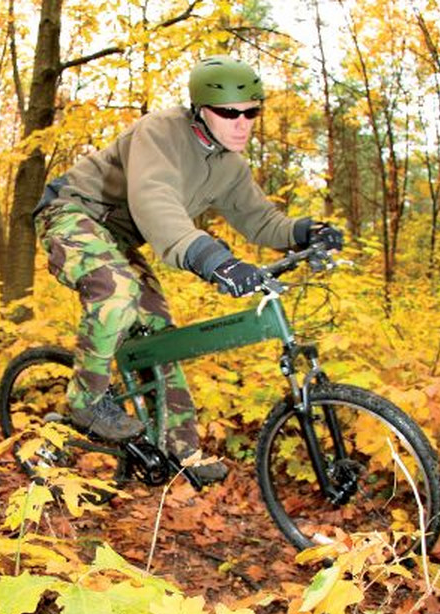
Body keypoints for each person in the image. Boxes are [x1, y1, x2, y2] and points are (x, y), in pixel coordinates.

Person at [32, 55, 344, 484]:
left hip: (118, 237)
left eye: (251, 112)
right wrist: (210, 258)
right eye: (229, 113)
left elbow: (261, 221)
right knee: (116, 294)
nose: (242, 123)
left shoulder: (229, 165)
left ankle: (181, 450)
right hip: (71, 213)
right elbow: (153, 199)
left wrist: (307, 231)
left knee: (159, 334)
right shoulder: (160, 131)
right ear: (200, 109)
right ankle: (87, 400)